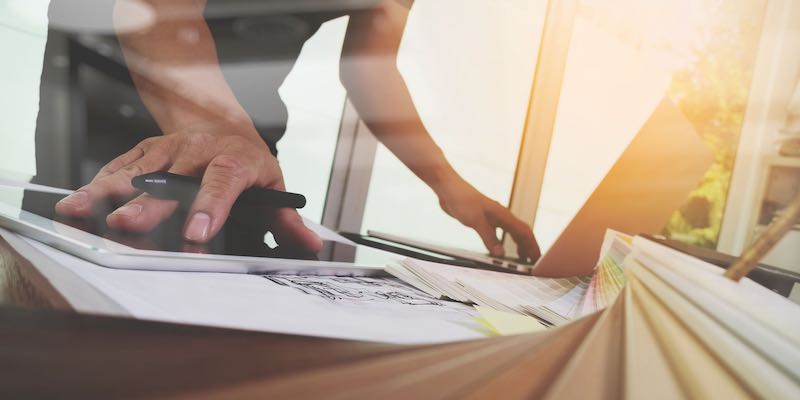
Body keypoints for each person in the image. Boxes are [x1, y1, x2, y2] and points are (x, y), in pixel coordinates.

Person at [55, 0, 540, 262]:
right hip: (119, 95)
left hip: (248, 137)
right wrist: (212, 126)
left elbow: (371, 68)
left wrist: (448, 184)